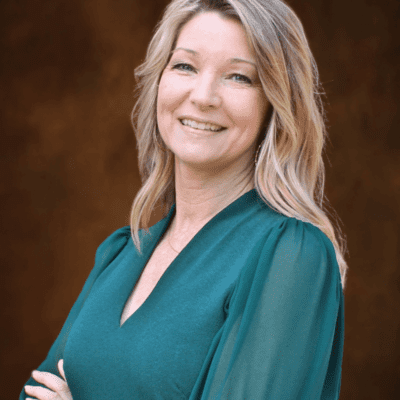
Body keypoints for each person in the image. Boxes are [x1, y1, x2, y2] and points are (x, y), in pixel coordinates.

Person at [21, 0, 348, 399]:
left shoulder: (291, 256)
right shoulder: (121, 252)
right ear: (160, 81)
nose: (204, 95)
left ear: (275, 104)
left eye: (239, 77)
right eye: (185, 66)